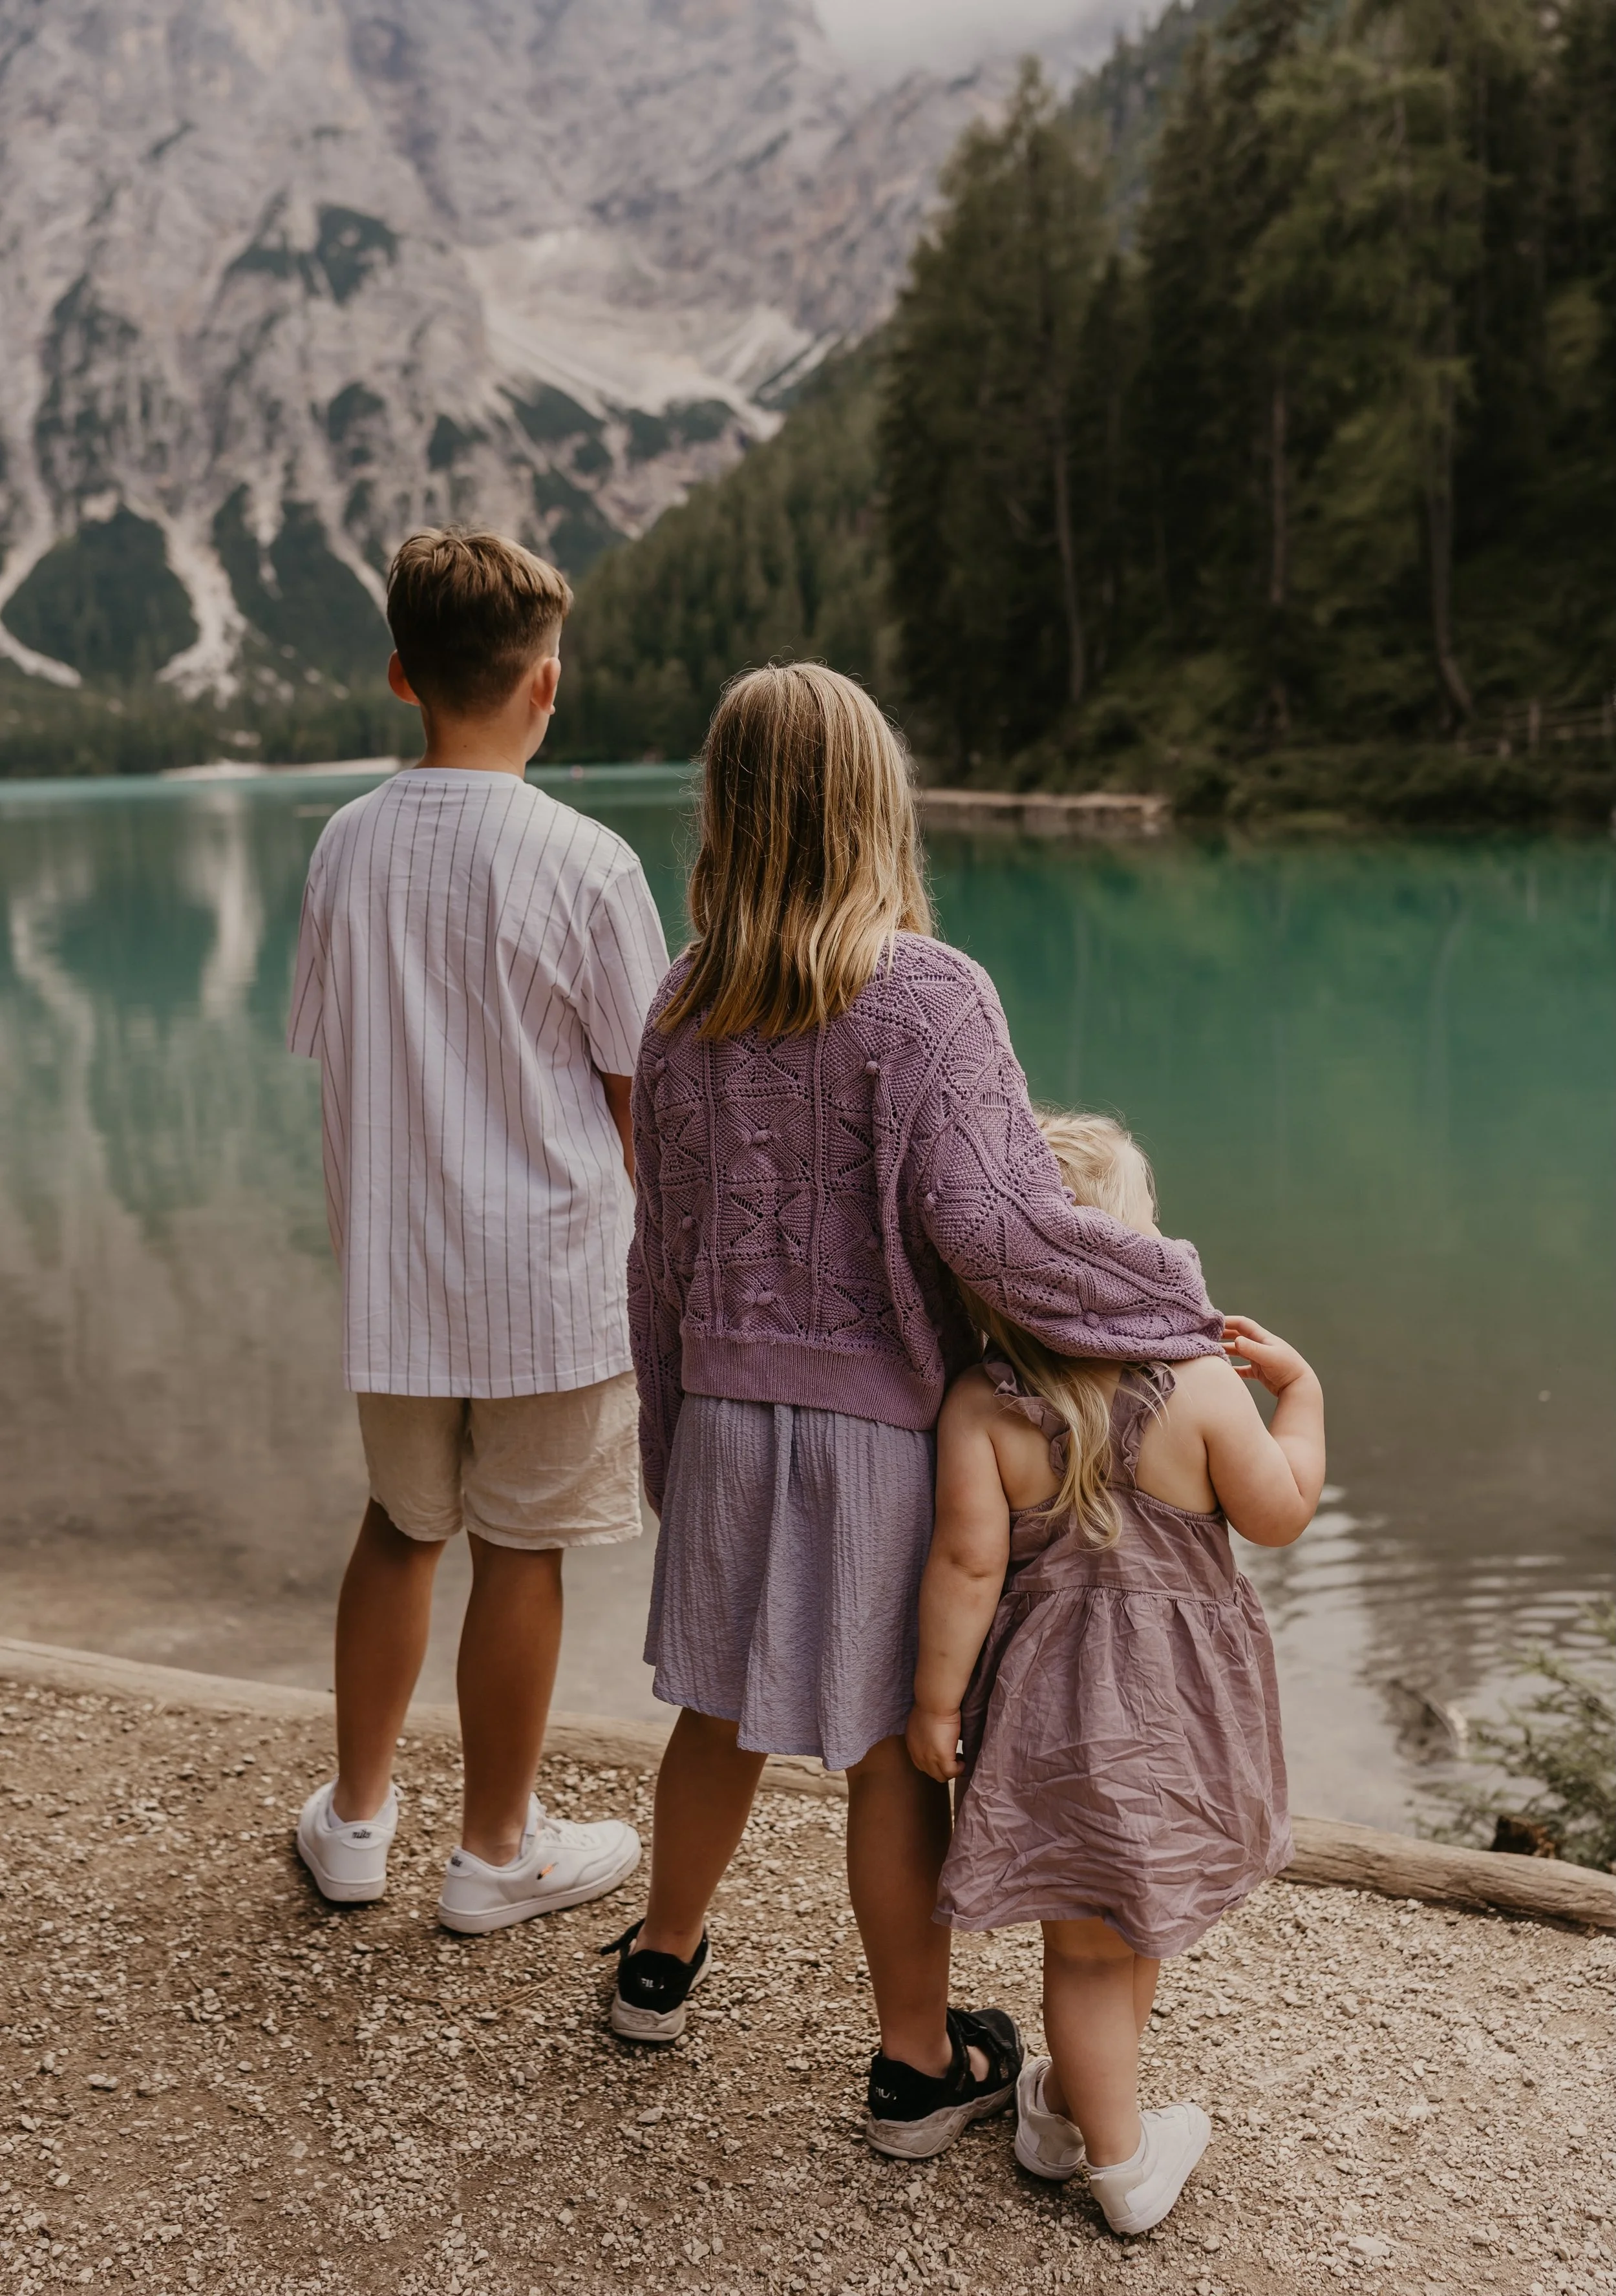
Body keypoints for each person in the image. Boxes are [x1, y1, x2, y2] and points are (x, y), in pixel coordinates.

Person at [606, 662, 1226, 2161]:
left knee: (718, 1708)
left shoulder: (679, 1009)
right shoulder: (932, 996)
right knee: (892, 1757)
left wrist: (671, 1444)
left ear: (721, 816)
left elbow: (657, 1256)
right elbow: (1001, 1228)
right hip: (880, 1440)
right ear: (877, 804)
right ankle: (911, 2065)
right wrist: (1175, 1307)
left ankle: (655, 1968)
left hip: (730, 1425)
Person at [286, 528, 669, 1933]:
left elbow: (330, 1047)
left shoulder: (342, 848)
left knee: (397, 1524)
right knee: (522, 1552)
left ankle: (357, 1821)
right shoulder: (587, 862)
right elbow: (647, 1101)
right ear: (546, 685)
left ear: (401, 676)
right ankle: (495, 1852)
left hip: (399, 1278)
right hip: (551, 1282)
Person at [907, 1112, 1324, 2233]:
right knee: (1122, 1935)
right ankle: (1126, 2165)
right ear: (1133, 1248)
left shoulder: (986, 1402)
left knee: (1090, 1934)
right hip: (1181, 1713)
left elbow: (963, 1563)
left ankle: (1063, 2111)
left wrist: (937, 1704)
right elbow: (1279, 1517)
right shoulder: (1199, 1383)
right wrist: (1308, 1401)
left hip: (1049, 1711)